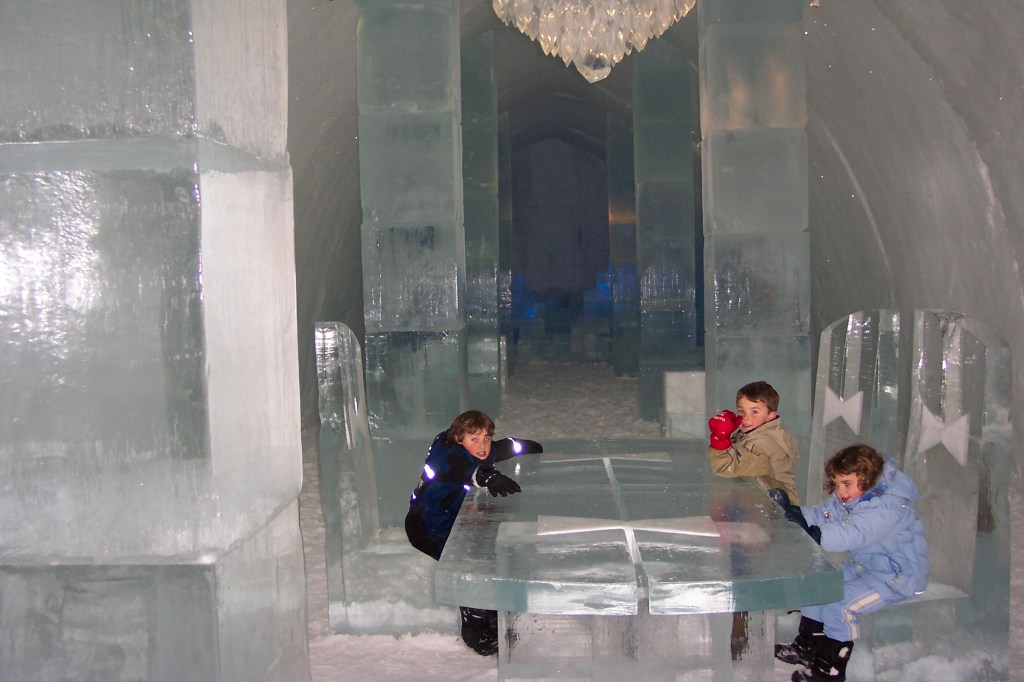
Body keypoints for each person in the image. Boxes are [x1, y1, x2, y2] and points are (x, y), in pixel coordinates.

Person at [772, 444, 929, 682]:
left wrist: (815, 534)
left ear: (867, 477)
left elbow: (855, 532)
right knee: (819, 585)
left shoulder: (889, 506)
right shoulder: (849, 497)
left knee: (840, 607)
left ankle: (830, 669)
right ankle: (807, 647)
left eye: (846, 483)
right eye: (836, 484)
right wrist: (794, 514)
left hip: (898, 576)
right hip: (868, 568)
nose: (840, 491)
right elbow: (823, 514)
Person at [404, 410, 542, 656]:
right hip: (425, 525)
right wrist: (488, 476)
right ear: (459, 438)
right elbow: (463, 469)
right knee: (468, 565)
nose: (482, 445)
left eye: (486, 438)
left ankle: (493, 615)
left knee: (490, 556)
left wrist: (528, 446)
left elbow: (504, 447)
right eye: (474, 439)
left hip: (454, 522)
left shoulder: (479, 451)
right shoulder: (446, 453)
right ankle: (474, 629)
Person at [706, 380, 800, 504]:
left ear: (770, 416)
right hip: (761, 506)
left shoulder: (764, 445)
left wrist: (720, 439)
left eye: (754, 412)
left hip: (778, 514)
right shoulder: (750, 434)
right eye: (741, 411)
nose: (746, 417)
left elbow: (729, 467)